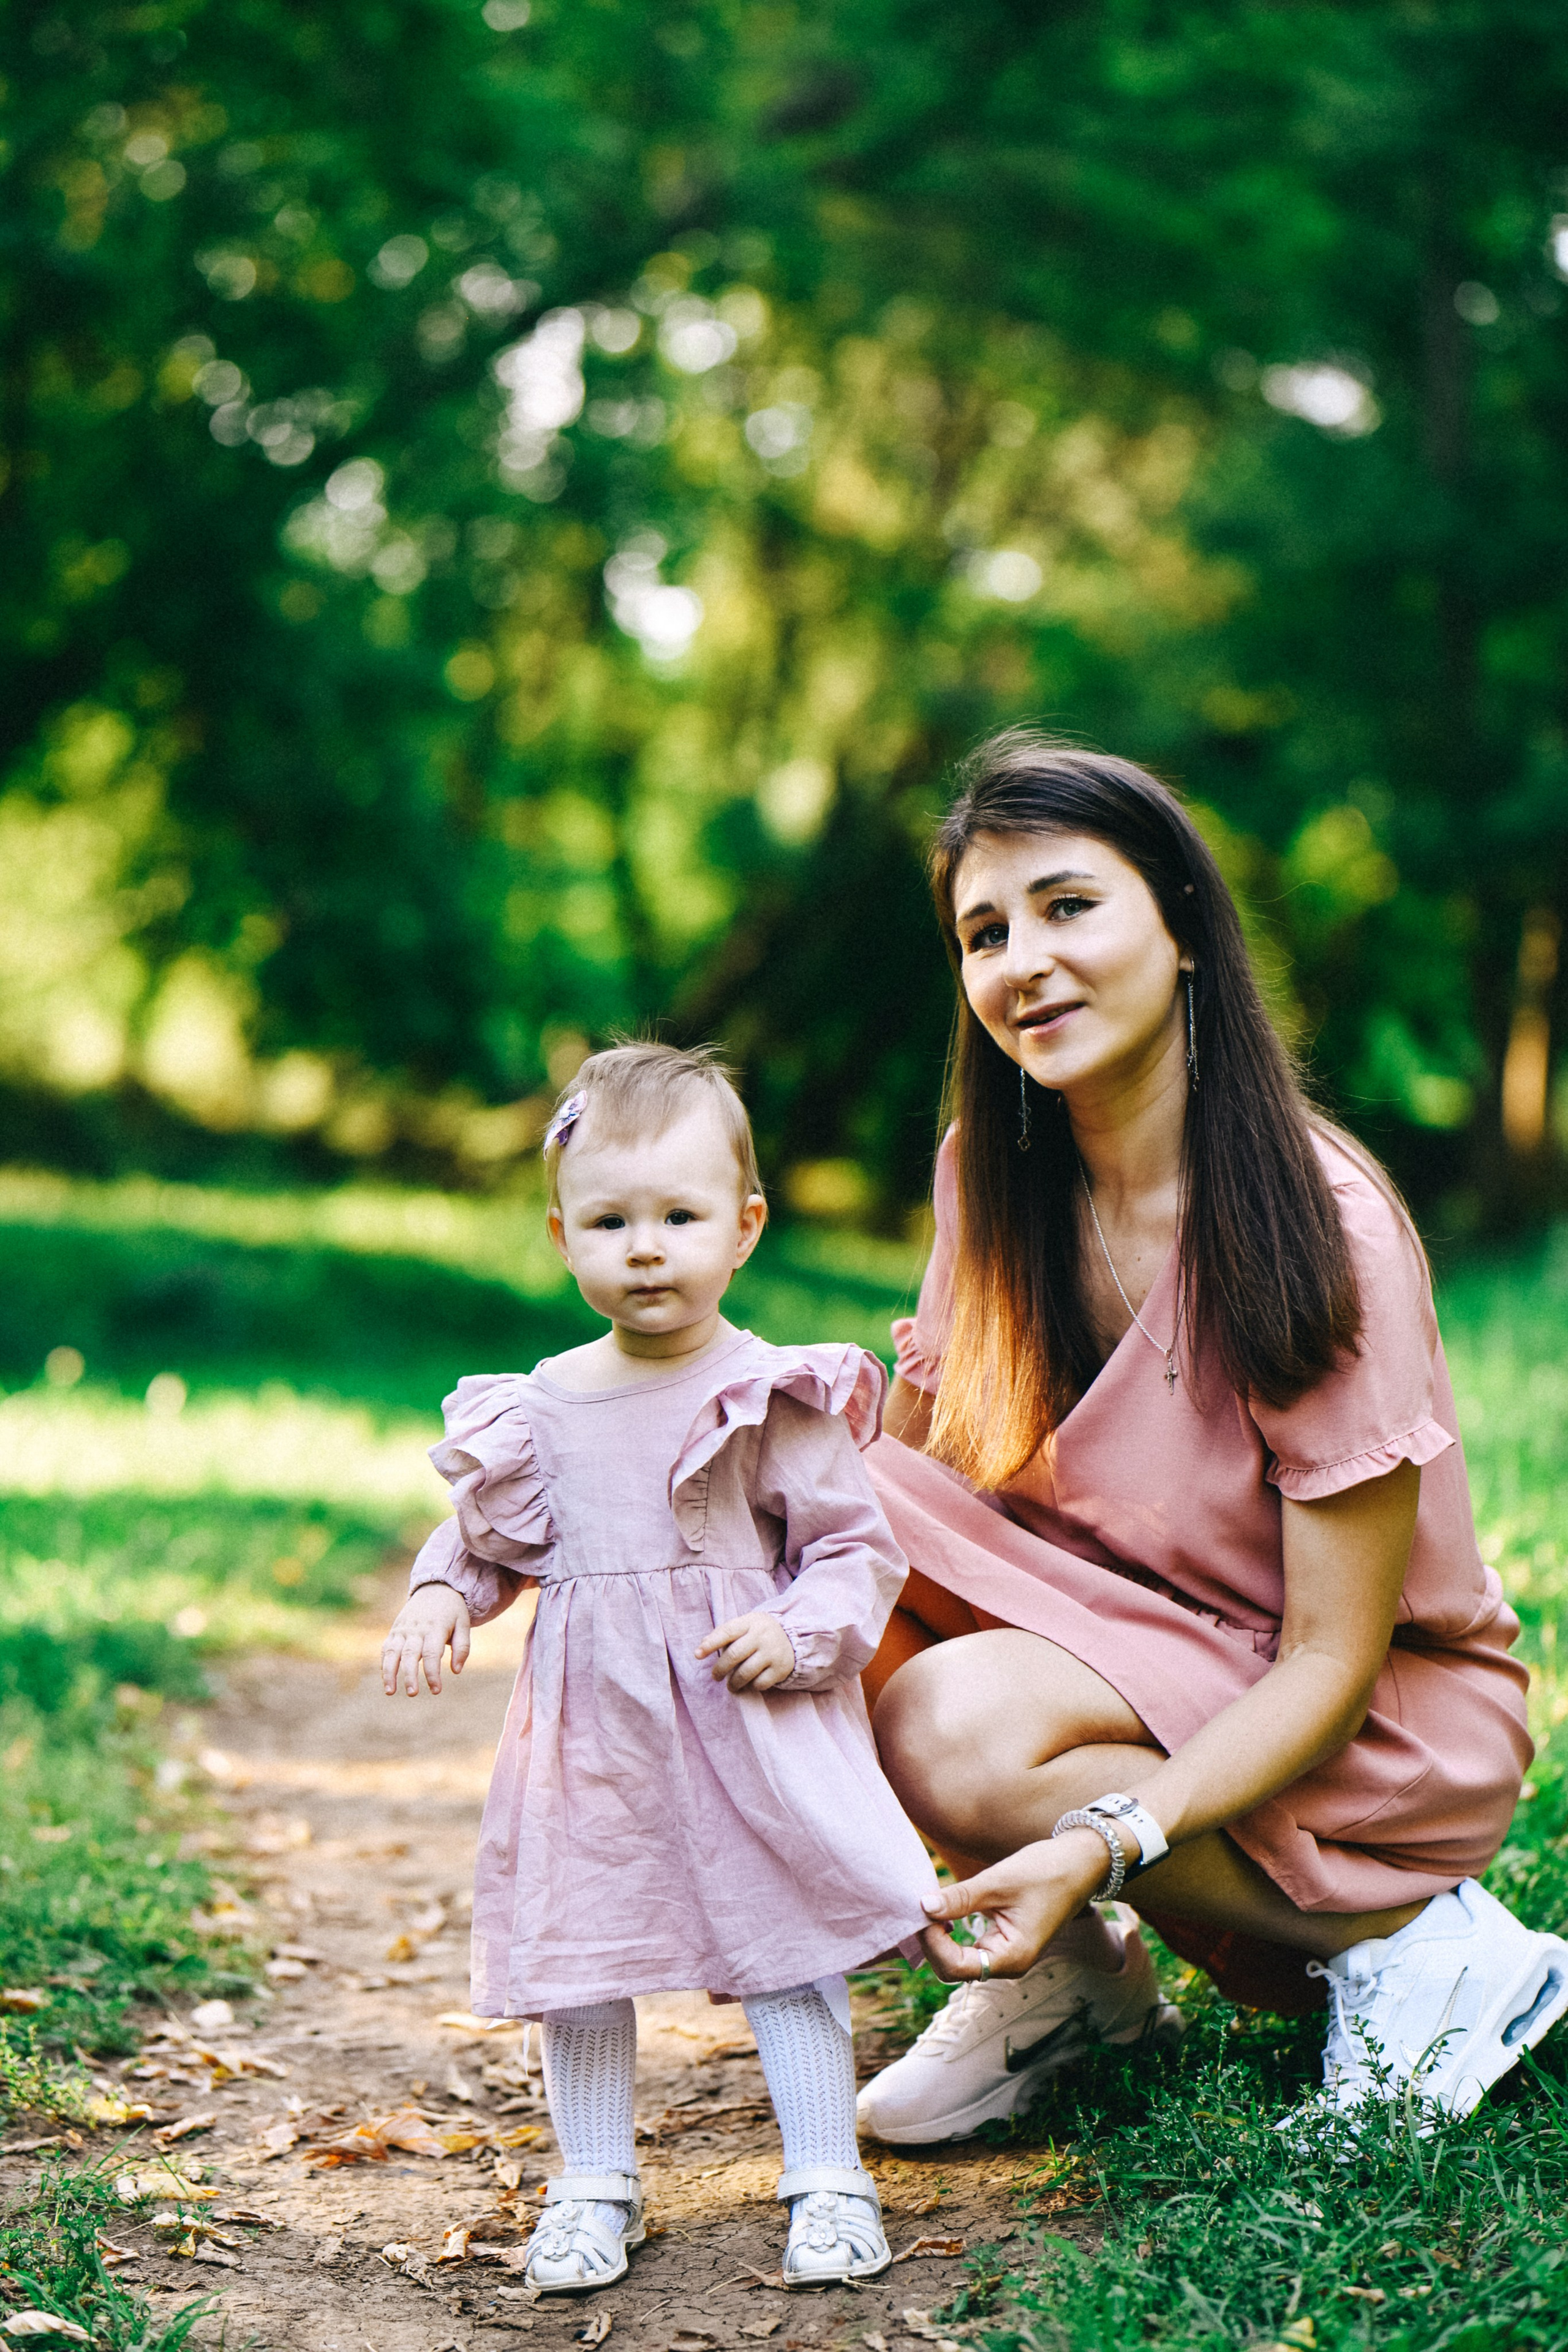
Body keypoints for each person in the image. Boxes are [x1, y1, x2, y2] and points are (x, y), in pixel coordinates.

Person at [853, 729, 1568, 2146]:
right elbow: (898, 1497)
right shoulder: (984, 1182)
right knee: (809, 1530)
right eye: (981, 932)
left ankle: (1408, 1951)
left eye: (1067, 906)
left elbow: (1330, 1653)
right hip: (1120, 1646)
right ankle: (1072, 1985)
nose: (1020, 962)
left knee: (955, 1727)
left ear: (1179, 927)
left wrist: (1098, 1842)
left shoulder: (1317, 1223)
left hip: (1357, 1721)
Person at [382, 1043, 937, 2291]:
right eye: (609, 1221)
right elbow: (480, 1535)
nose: (644, 1248)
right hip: (592, 1739)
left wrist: (798, 1631)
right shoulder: (536, 1409)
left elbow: (852, 1550)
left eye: (678, 1217)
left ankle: (823, 2179)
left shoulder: (767, 1392)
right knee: (579, 1952)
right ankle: (592, 2185)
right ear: (560, 1233)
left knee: (782, 1939)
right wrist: (436, 1594)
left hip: (744, 1713)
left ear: (742, 1226)